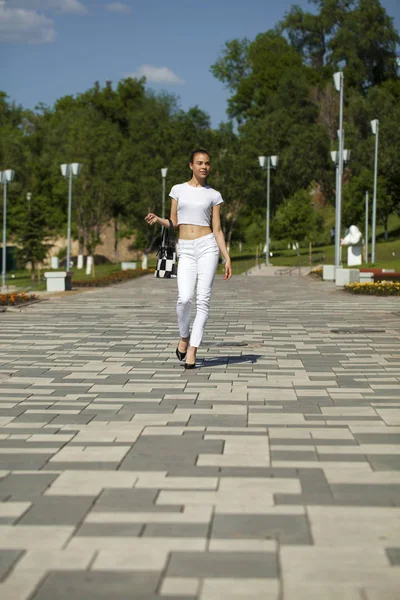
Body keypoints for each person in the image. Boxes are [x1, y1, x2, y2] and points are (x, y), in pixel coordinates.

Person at [145, 149, 232, 369]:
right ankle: (184, 336)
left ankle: (193, 348)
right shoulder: (177, 190)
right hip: (184, 248)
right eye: (200, 163)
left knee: (203, 300)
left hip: (207, 247)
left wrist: (227, 257)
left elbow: (218, 229)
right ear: (190, 165)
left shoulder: (214, 195)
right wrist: (158, 220)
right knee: (184, 299)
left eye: (207, 163)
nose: (204, 167)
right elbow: (174, 222)